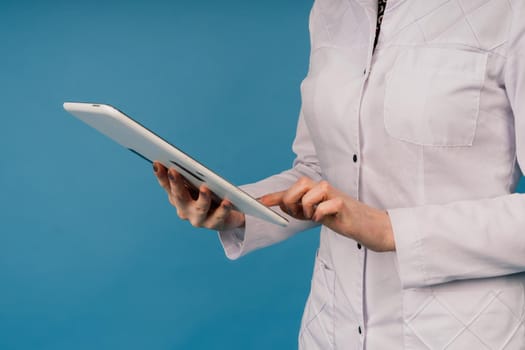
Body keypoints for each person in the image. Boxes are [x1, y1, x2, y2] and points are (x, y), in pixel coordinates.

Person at [154, 0, 525, 348]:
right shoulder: (331, 8)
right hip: (332, 326)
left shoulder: (508, 11)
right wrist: (240, 210)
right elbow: (318, 170)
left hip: (461, 331)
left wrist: (388, 228)